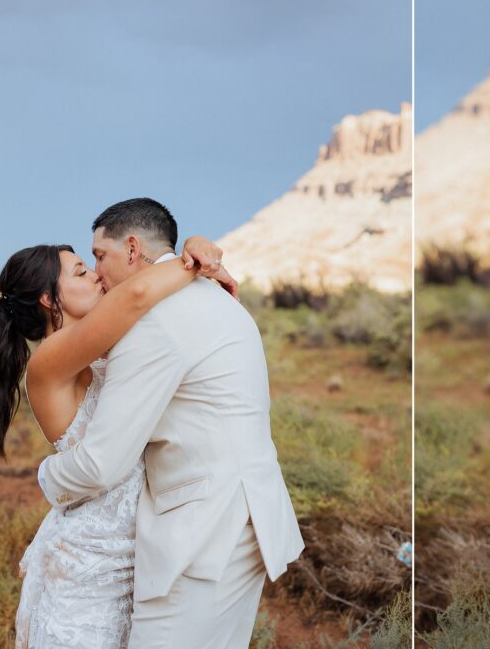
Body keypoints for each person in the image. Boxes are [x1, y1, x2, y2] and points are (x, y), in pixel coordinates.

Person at [38, 198, 304, 648]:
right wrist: (201, 252)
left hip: (203, 536)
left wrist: (46, 475)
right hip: (239, 517)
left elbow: (102, 464)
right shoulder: (212, 295)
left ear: (132, 248)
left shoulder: (155, 322)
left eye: (99, 257)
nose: (97, 271)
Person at [0, 232, 231, 648]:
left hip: (134, 554)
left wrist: (199, 253)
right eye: (81, 271)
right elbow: (135, 296)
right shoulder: (49, 360)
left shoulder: (101, 349)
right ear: (48, 299)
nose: (96, 275)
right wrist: (193, 257)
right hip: (88, 563)